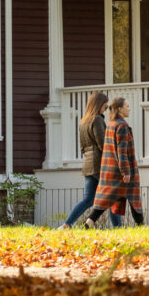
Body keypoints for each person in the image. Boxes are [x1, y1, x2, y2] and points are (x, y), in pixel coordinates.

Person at [59, 91, 122, 228]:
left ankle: (66, 225)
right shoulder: (97, 119)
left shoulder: (83, 121)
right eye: (105, 106)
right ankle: (118, 229)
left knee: (88, 200)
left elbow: (82, 147)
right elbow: (102, 144)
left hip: (88, 165)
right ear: (99, 104)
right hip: (100, 165)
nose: (105, 109)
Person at [86, 96, 144, 227]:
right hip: (123, 172)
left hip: (110, 170)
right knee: (134, 198)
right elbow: (122, 152)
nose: (129, 109)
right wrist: (126, 171)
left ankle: (88, 223)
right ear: (120, 109)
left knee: (106, 199)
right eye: (127, 106)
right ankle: (141, 227)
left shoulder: (111, 125)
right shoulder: (122, 126)